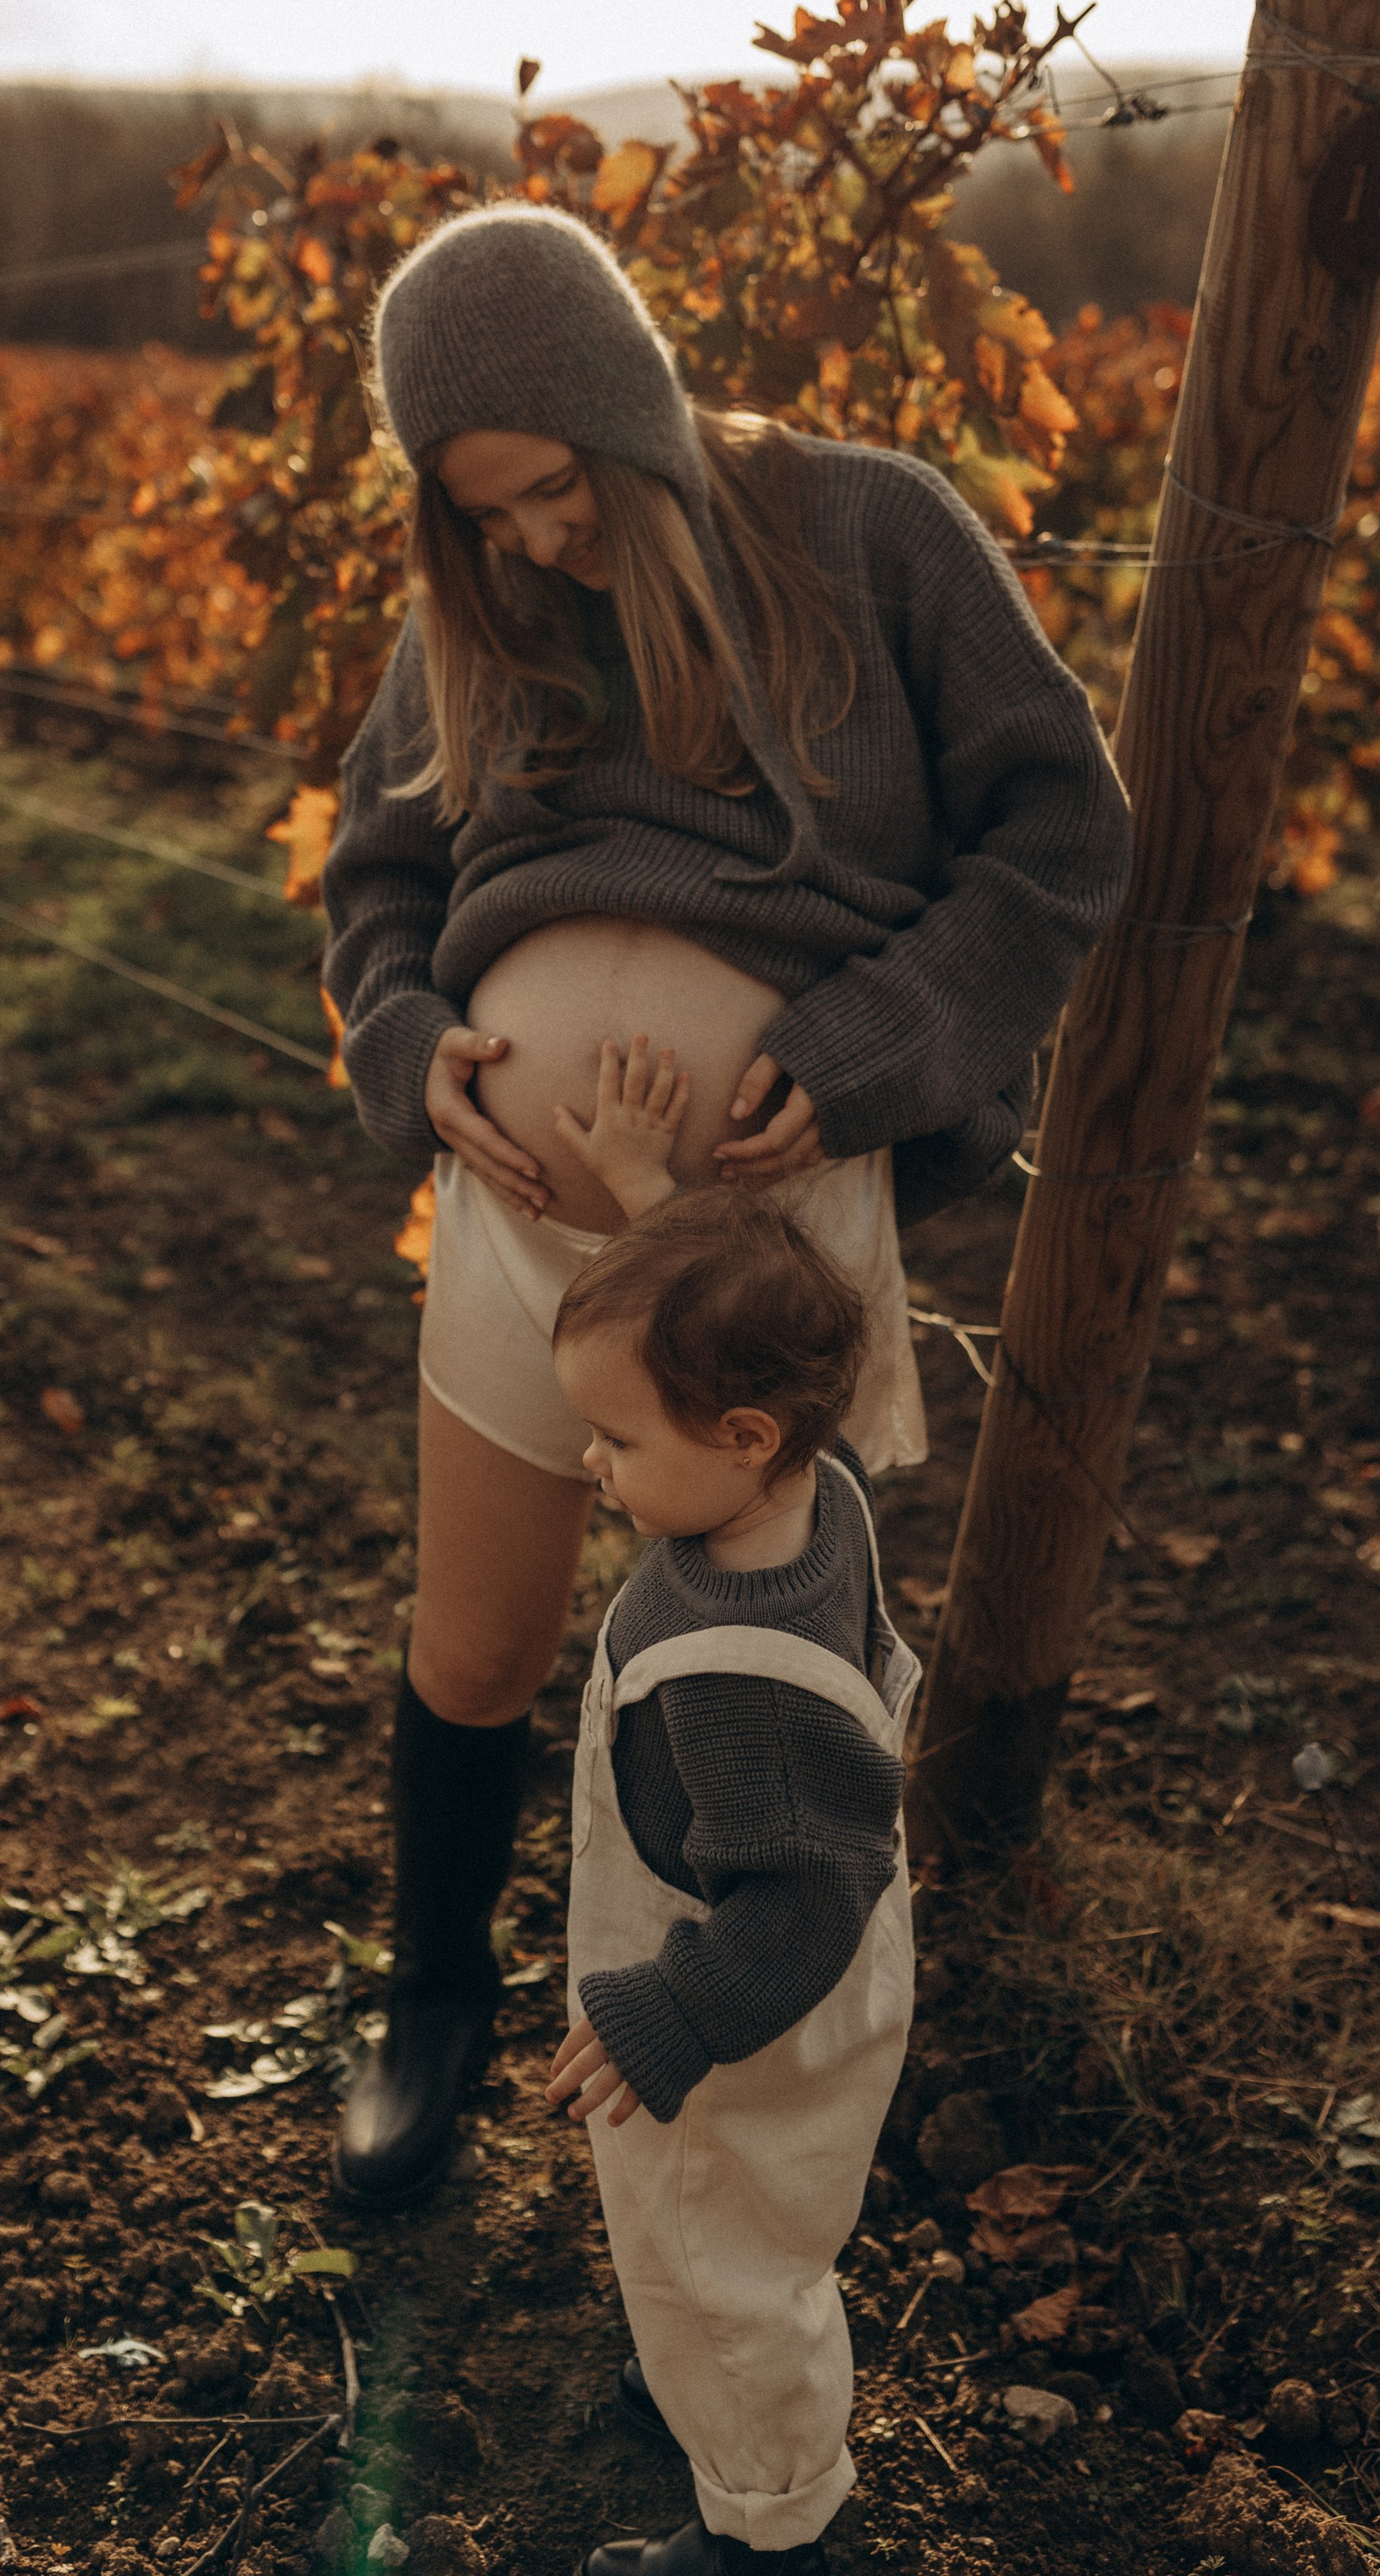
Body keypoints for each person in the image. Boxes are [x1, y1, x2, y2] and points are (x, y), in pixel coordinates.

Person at [320, 202, 1132, 2209]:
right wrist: (413, 1040)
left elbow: (1062, 825)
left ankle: (751, 2104)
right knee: (478, 1640)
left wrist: (874, 1045)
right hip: (522, 1226)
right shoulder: (476, 620)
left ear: (619, 414)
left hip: (759, 1233)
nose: (525, 543)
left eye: (544, 491)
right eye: (477, 513)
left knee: (755, 1664)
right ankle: (433, 2014)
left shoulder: (865, 534)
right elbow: (375, 883)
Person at [543, 1105, 912, 2576]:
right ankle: (696, 2381)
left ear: (741, 1434)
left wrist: (670, 2014)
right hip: (778, 1928)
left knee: (726, 2254)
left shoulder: (741, 1671)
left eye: (621, 1437)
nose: (592, 1460)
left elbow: (805, 1900)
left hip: (749, 1998)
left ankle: (768, 2527)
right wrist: (654, 1202)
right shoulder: (806, 1491)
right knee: (706, 2258)